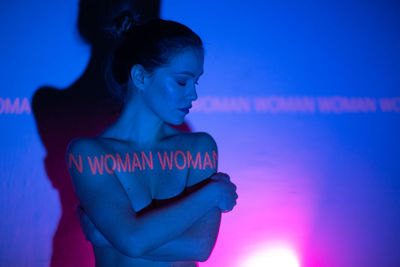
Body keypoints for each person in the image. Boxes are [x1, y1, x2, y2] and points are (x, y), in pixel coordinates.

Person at [65, 12, 238, 267]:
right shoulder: (88, 153)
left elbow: (200, 246)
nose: (193, 95)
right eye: (181, 82)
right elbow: (133, 241)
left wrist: (110, 238)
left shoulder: (199, 148)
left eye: (196, 82)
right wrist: (213, 193)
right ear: (141, 77)